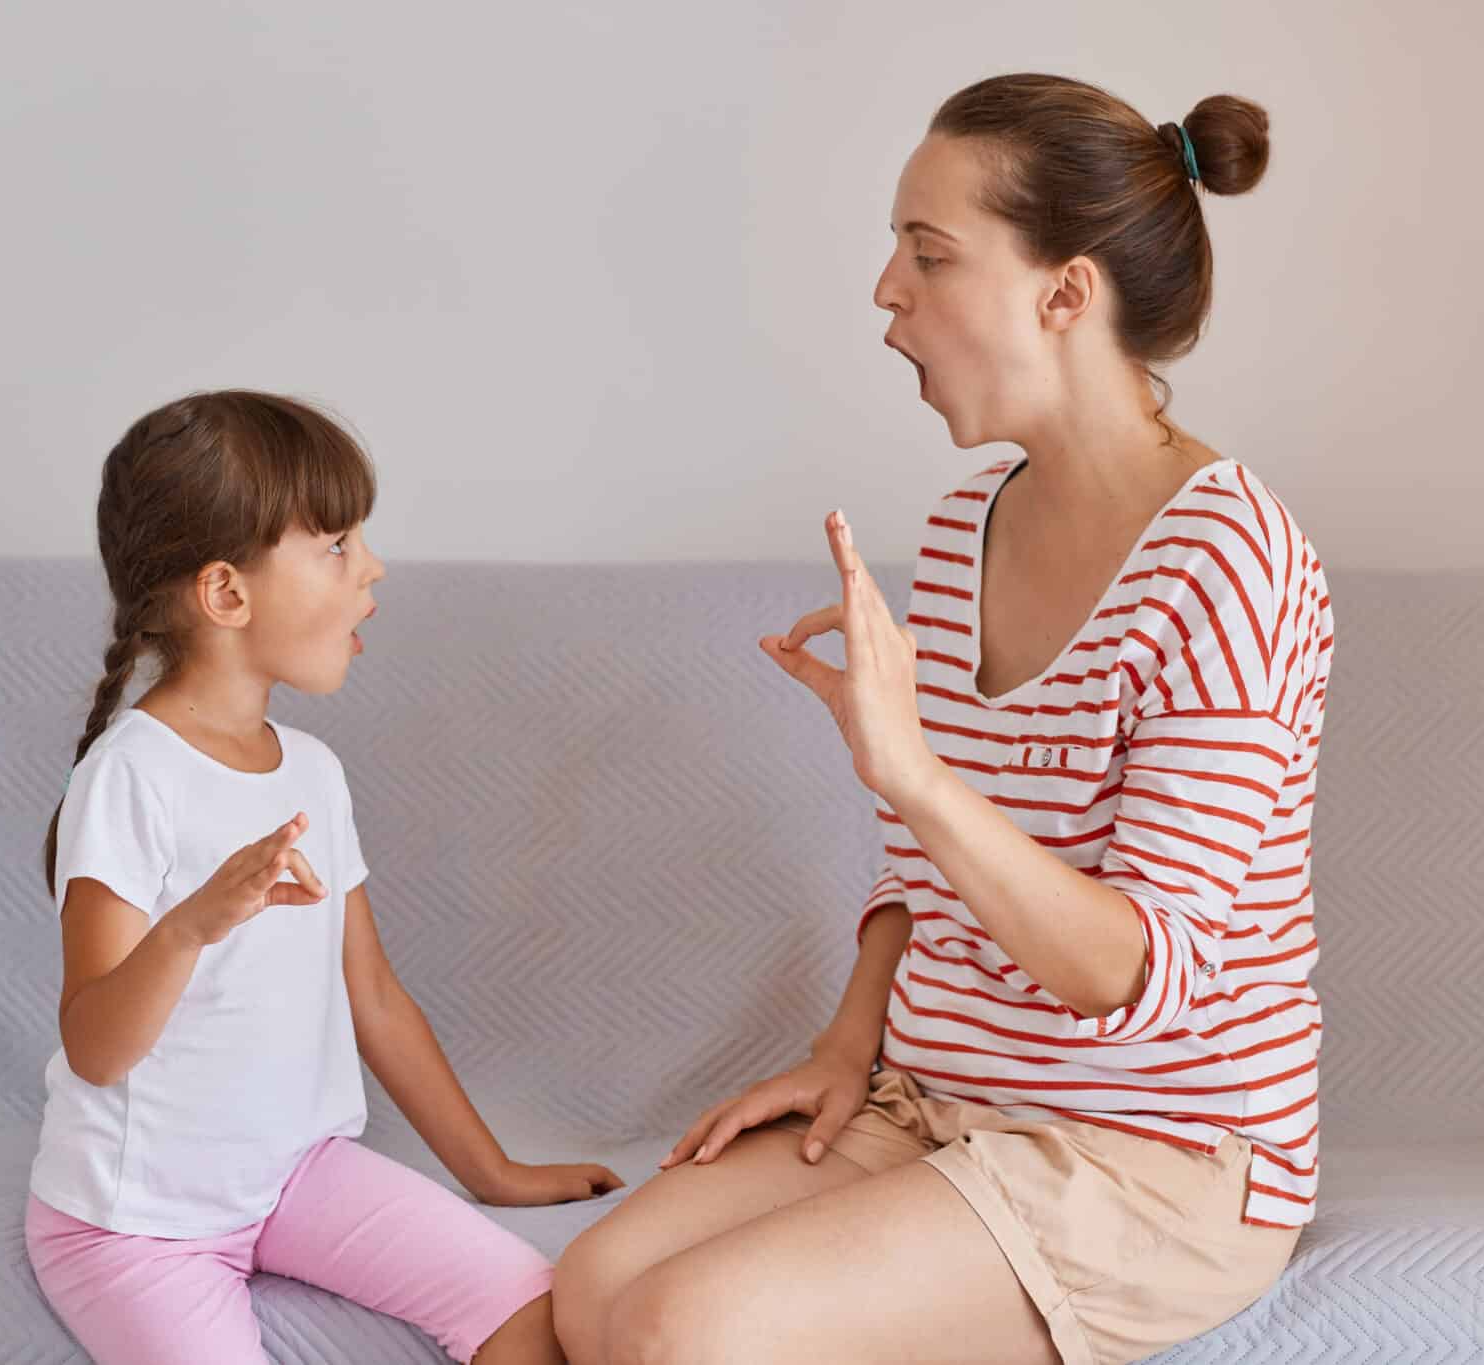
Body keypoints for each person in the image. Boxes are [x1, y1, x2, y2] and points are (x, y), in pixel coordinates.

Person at [555, 74, 1333, 1365]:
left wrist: (910, 768)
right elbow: (929, 866)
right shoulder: (968, 522)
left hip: (1154, 1152)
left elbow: (1130, 971)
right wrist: (846, 1041)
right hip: (939, 1102)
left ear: (1064, 292)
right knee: (593, 1290)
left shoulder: (1231, 558)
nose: (885, 292)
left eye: (929, 254)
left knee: (675, 1333)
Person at [23, 389, 623, 1364]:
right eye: (337, 544)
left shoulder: (312, 771)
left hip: (298, 1177)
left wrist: (494, 1172)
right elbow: (93, 1047)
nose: (371, 567)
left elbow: (374, 996)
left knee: (532, 1305)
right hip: (134, 1225)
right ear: (226, 594)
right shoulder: (130, 775)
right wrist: (189, 926)